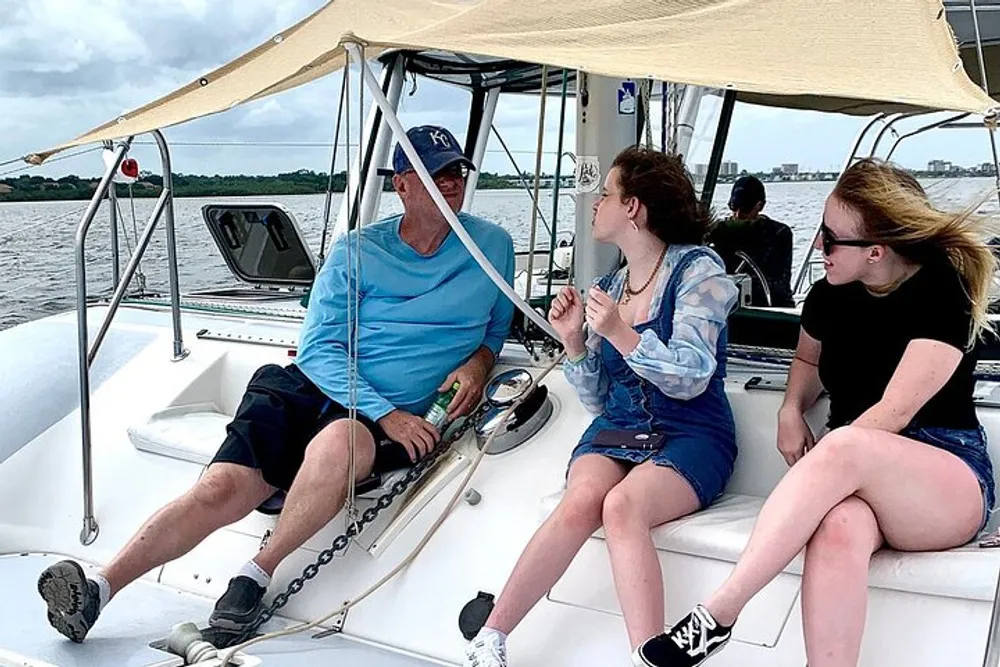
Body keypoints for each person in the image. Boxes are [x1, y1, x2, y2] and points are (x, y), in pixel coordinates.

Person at [37, 125, 516, 643]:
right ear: (402, 185)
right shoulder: (358, 251)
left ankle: (254, 574)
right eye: (435, 172)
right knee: (221, 488)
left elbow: (496, 328)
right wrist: (386, 413)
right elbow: (318, 351)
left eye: (456, 172)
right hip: (316, 387)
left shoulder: (492, 245)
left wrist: (480, 363)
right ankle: (98, 590)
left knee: (342, 441)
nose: (450, 182)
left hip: (370, 418)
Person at [633, 158, 997, 667]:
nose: (815, 247)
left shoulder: (942, 293)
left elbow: (892, 413)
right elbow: (808, 358)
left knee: (847, 441)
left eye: (829, 238)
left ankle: (719, 614)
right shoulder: (829, 295)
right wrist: (789, 406)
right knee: (840, 525)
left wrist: (826, 461)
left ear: (875, 251)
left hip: (945, 476)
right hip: (858, 473)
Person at [463, 146, 739, 667]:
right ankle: (490, 640)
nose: (594, 204)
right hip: (620, 428)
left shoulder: (699, 271)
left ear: (633, 207)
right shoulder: (612, 285)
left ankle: (647, 655)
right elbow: (596, 402)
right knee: (581, 500)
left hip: (692, 433)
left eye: (606, 194)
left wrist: (619, 331)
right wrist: (573, 342)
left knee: (622, 506)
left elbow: (690, 377)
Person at [708, 175, 794, 307]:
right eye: (733, 206)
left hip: (769, 307)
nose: (738, 214)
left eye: (745, 208)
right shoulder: (719, 233)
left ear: (760, 206)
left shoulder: (779, 234)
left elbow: (779, 286)